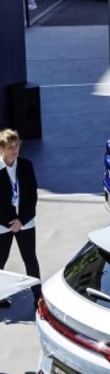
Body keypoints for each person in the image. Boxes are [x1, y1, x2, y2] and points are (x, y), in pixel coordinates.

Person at [0, 129, 41, 311]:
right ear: (1, 149)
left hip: (25, 220)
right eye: (10, 147)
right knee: (0, 260)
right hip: (3, 224)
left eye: (16, 146)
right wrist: (9, 222)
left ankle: (38, 296)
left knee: (30, 259)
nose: (14, 150)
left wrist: (21, 221)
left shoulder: (26, 165)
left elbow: (32, 195)